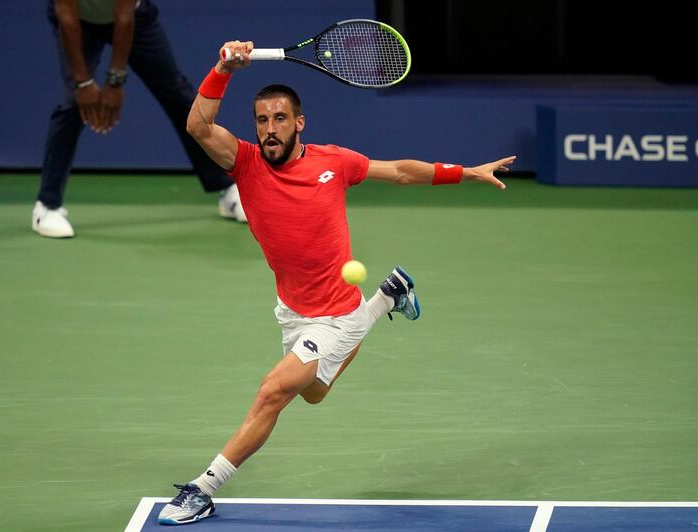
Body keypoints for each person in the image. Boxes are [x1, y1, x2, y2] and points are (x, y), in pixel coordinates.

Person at [157, 40, 516, 526]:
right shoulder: (244, 162)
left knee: (272, 393)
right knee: (313, 394)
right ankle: (389, 295)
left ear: (299, 122)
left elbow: (401, 173)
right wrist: (222, 68)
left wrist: (466, 173)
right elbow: (198, 126)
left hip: (336, 315)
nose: (269, 129)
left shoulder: (334, 162)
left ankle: (202, 488)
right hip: (292, 310)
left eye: (280, 119)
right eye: (262, 120)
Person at [32, 0, 246, 239]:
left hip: (134, 17)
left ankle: (226, 189)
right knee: (73, 103)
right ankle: (47, 206)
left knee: (178, 95)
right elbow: (67, 18)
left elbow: (124, 17)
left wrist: (115, 82)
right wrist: (82, 83)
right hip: (77, 22)